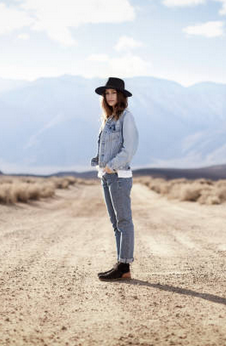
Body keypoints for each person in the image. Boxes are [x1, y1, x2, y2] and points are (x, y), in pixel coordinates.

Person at [91, 77, 139, 281]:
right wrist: (101, 165)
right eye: (107, 93)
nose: (110, 96)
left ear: (121, 96)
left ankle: (124, 263)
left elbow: (130, 149)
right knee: (115, 222)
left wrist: (111, 166)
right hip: (107, 176)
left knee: (124, 221)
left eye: (113, 93)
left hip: (118, 176)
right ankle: (121, 265)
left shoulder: (126, 117)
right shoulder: (108, 119)